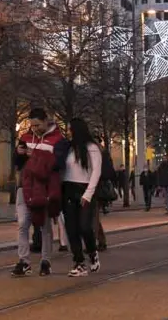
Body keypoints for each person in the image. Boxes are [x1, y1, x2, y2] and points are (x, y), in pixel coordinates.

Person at [11, 107, 64, 277]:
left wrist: (36, 155)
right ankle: (24, 261)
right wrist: (18, 153)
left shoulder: (58, 139)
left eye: (37, 125)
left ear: (46, 121)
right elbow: (17, 162)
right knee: (23, 224)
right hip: (24, 186)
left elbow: (58, 163)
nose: (35, 129)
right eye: (32, 125)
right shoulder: (25, 137)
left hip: (44, 187)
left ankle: (45, 261)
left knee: (45, 225)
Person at [58, 118, 102, 277]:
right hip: (68, 189)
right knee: (71, 228)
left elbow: (96, 171)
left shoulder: (92, 148)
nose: (68, 132)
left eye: (70, 129)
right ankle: (79, 262)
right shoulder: (68, 148)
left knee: (84, 226)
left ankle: (92, 251)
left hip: (84, 189)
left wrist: (88, 194)